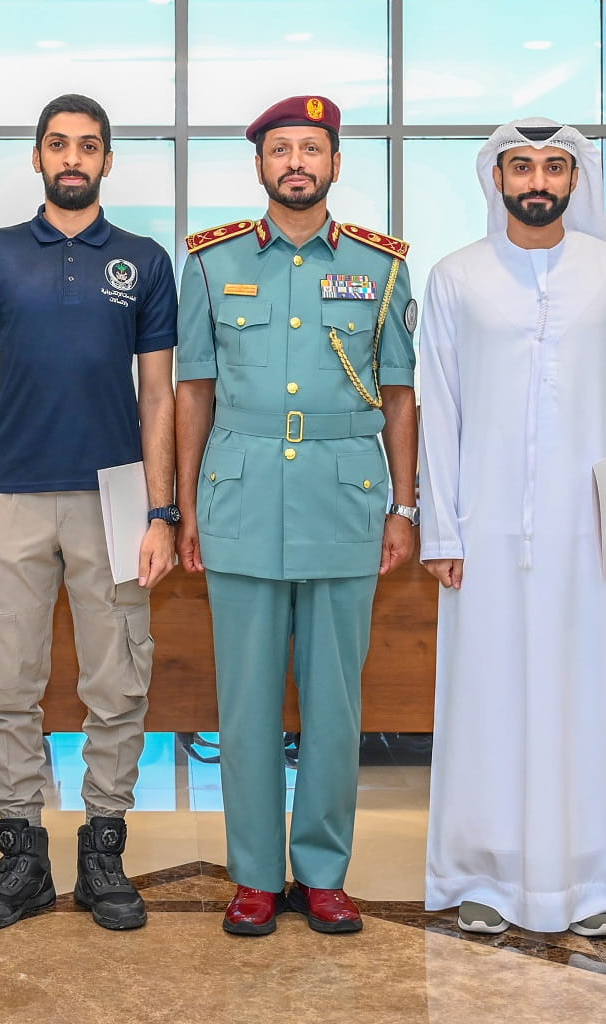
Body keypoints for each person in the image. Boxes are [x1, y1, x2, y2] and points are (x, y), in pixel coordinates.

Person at [417, 118, 606, 938]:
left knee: (588, 698)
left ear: (574, 180)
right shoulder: (456, 277)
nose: (537, 179)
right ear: (496, 178)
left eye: (554, 166)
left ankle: (594, 883)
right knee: (487, 700)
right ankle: (485, 877)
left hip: (589, 535)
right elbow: (440, 411)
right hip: (485, 531)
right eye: (521, 165)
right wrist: (443, 531)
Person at [176, 94, 419, 937]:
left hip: (345, 500)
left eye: (311, 149)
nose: (296, 163)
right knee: (243, 704)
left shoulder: (383, 268)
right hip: (240, 496)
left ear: (335, 164)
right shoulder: (209, 264)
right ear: (260, 166)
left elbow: (399, 394)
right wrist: (185, 506)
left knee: (334, 704)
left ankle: (321, 872)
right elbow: (193, 393)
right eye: (281, 149)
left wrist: (405, 503)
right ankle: (252, 874)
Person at [0, 94, 180, 933]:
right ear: (38, 157)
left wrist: (162, 511)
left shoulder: (146, 262)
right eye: (58, 145)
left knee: (116, 678)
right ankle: (21, 854)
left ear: (107, 161)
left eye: (88, 146)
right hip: (8, 493)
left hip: (116, 496)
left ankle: (105, 847)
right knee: (8, 678)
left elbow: (158, 395)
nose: (72, 158)